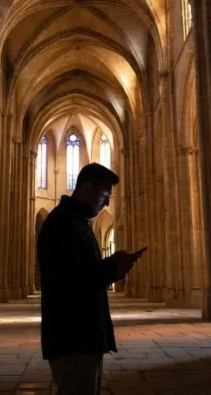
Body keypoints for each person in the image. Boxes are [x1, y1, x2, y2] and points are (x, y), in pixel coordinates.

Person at [37, 163, 142, 395]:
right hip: (72, 338)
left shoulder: (77, 222)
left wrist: (113, 268)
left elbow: (84, 275)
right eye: (104, 195)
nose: (106, 202)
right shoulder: (61, 224)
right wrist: (112, 266)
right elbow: (68, 282)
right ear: (87, 188)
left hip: (85, 336)